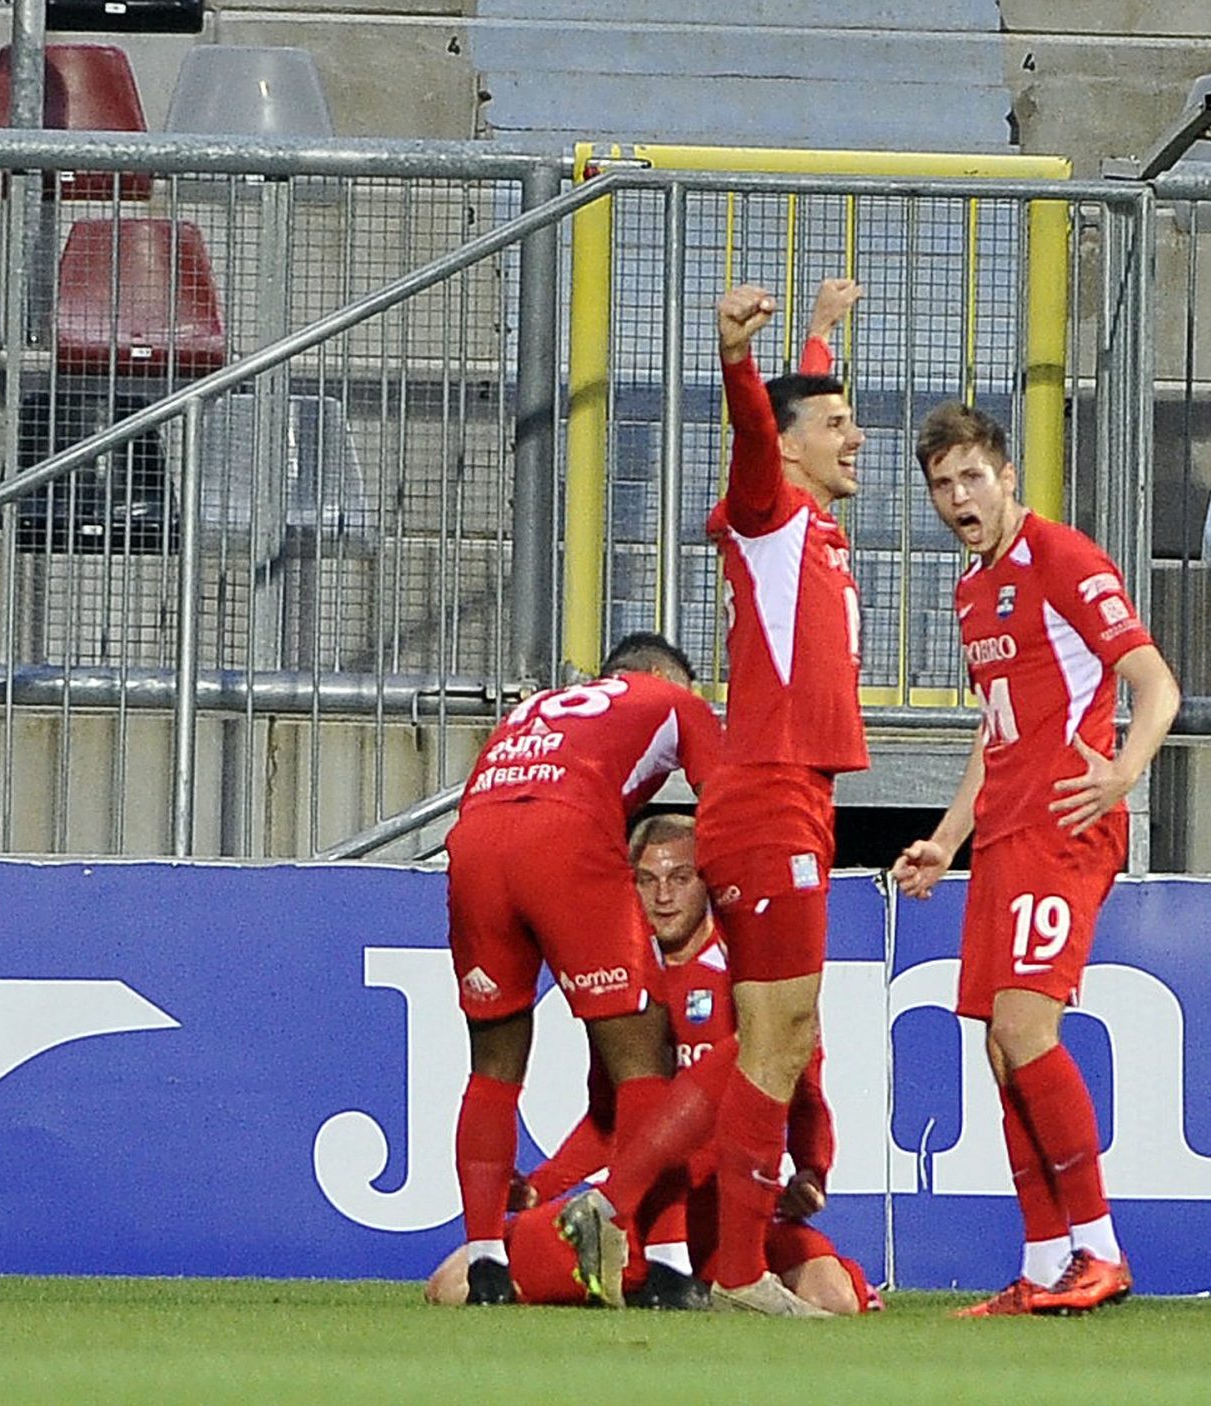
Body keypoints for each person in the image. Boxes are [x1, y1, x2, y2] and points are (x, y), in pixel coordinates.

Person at [561, 279, 871, 1318]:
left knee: (771, 1034)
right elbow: (757, 432)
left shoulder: (809, 516)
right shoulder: (771, 509)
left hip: (797, 793)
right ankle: (736, 1269)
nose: (854, 436)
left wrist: (821, 338)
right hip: (769, 794)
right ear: (788, 449)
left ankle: (691, 1235)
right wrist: (737, 357)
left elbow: (794, 408)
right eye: (835, 425)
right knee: (778, 1036)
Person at [890, 401, 1181, 1318]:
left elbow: (1154, 682)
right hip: (1008, 830)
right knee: (998, 1044)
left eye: (972, 477)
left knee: (1027, 1031)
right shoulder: (974, 589)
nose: (958, 497)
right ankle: (1047, 1257)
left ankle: (1099, 1249)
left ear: (1009, 477)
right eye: (942, 484)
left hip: (1064, 822)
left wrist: (1122, 774)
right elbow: (996, 729)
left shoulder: (1063, 558)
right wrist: (947, 836)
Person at [428, 815, 874, 1316]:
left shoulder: (746, 975)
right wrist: (540, 1188)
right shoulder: (619, 985)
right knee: (451, 1283)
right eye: (648, 880)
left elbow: (805, 1085)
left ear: (706, 881)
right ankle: (660, 1286)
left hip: (733, 1213)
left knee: (834, 1300)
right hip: (643, 1216)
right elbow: (607, 1124)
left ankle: (693, 1287)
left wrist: (812, 1171)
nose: (664, 896)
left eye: (680, 878)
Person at [443, 631, 721, 1308]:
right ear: (657, 676)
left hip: (476, 843)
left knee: (493, 1065)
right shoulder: (670, 699)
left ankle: (485, 1263)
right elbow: (727, 801)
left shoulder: (531, 711)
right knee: (646, 1053)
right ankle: (667, 1264)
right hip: (565, 838)